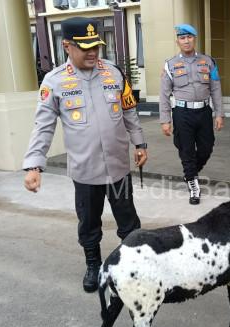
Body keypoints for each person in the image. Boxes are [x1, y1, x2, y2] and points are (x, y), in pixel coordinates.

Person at [23, 17, 148, 293]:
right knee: (89, 223)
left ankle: (134, 264)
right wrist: (34, 165)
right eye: (85, 47)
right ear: (67, 46)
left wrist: (140, 143)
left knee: (129, 222)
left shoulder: (114, 73)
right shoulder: (54, 82)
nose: (93, 52)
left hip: (118, 167)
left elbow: (128, 110)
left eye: (97, 46)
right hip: (85, 171)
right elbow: (43, 126)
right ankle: (94, 265)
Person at [159, 24, 224, 205]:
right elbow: (164, 94)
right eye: (182, 38)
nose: (186, 41)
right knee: (186, 149)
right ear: (177, 41)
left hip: (204, 112)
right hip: (182, 112)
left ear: (194, 39)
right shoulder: (170, 64)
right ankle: (193, 186)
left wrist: (220, 114)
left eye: (189, 37)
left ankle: (190, 174)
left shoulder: (208, 61)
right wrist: (165, 120)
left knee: (206, 147)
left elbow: (216, 89)